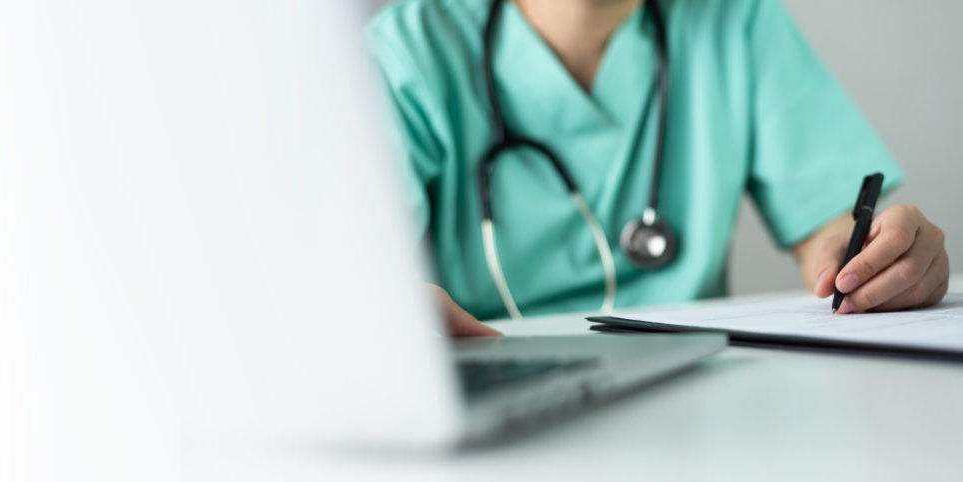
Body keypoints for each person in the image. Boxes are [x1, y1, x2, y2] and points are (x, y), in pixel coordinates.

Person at [365, 0, 949, 336]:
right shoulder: (403, 54)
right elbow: (338, 270)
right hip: (494, 388)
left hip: (693, 387)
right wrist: (382, 307)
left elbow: (829, 227)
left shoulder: (733, 18)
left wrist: (872, 261)